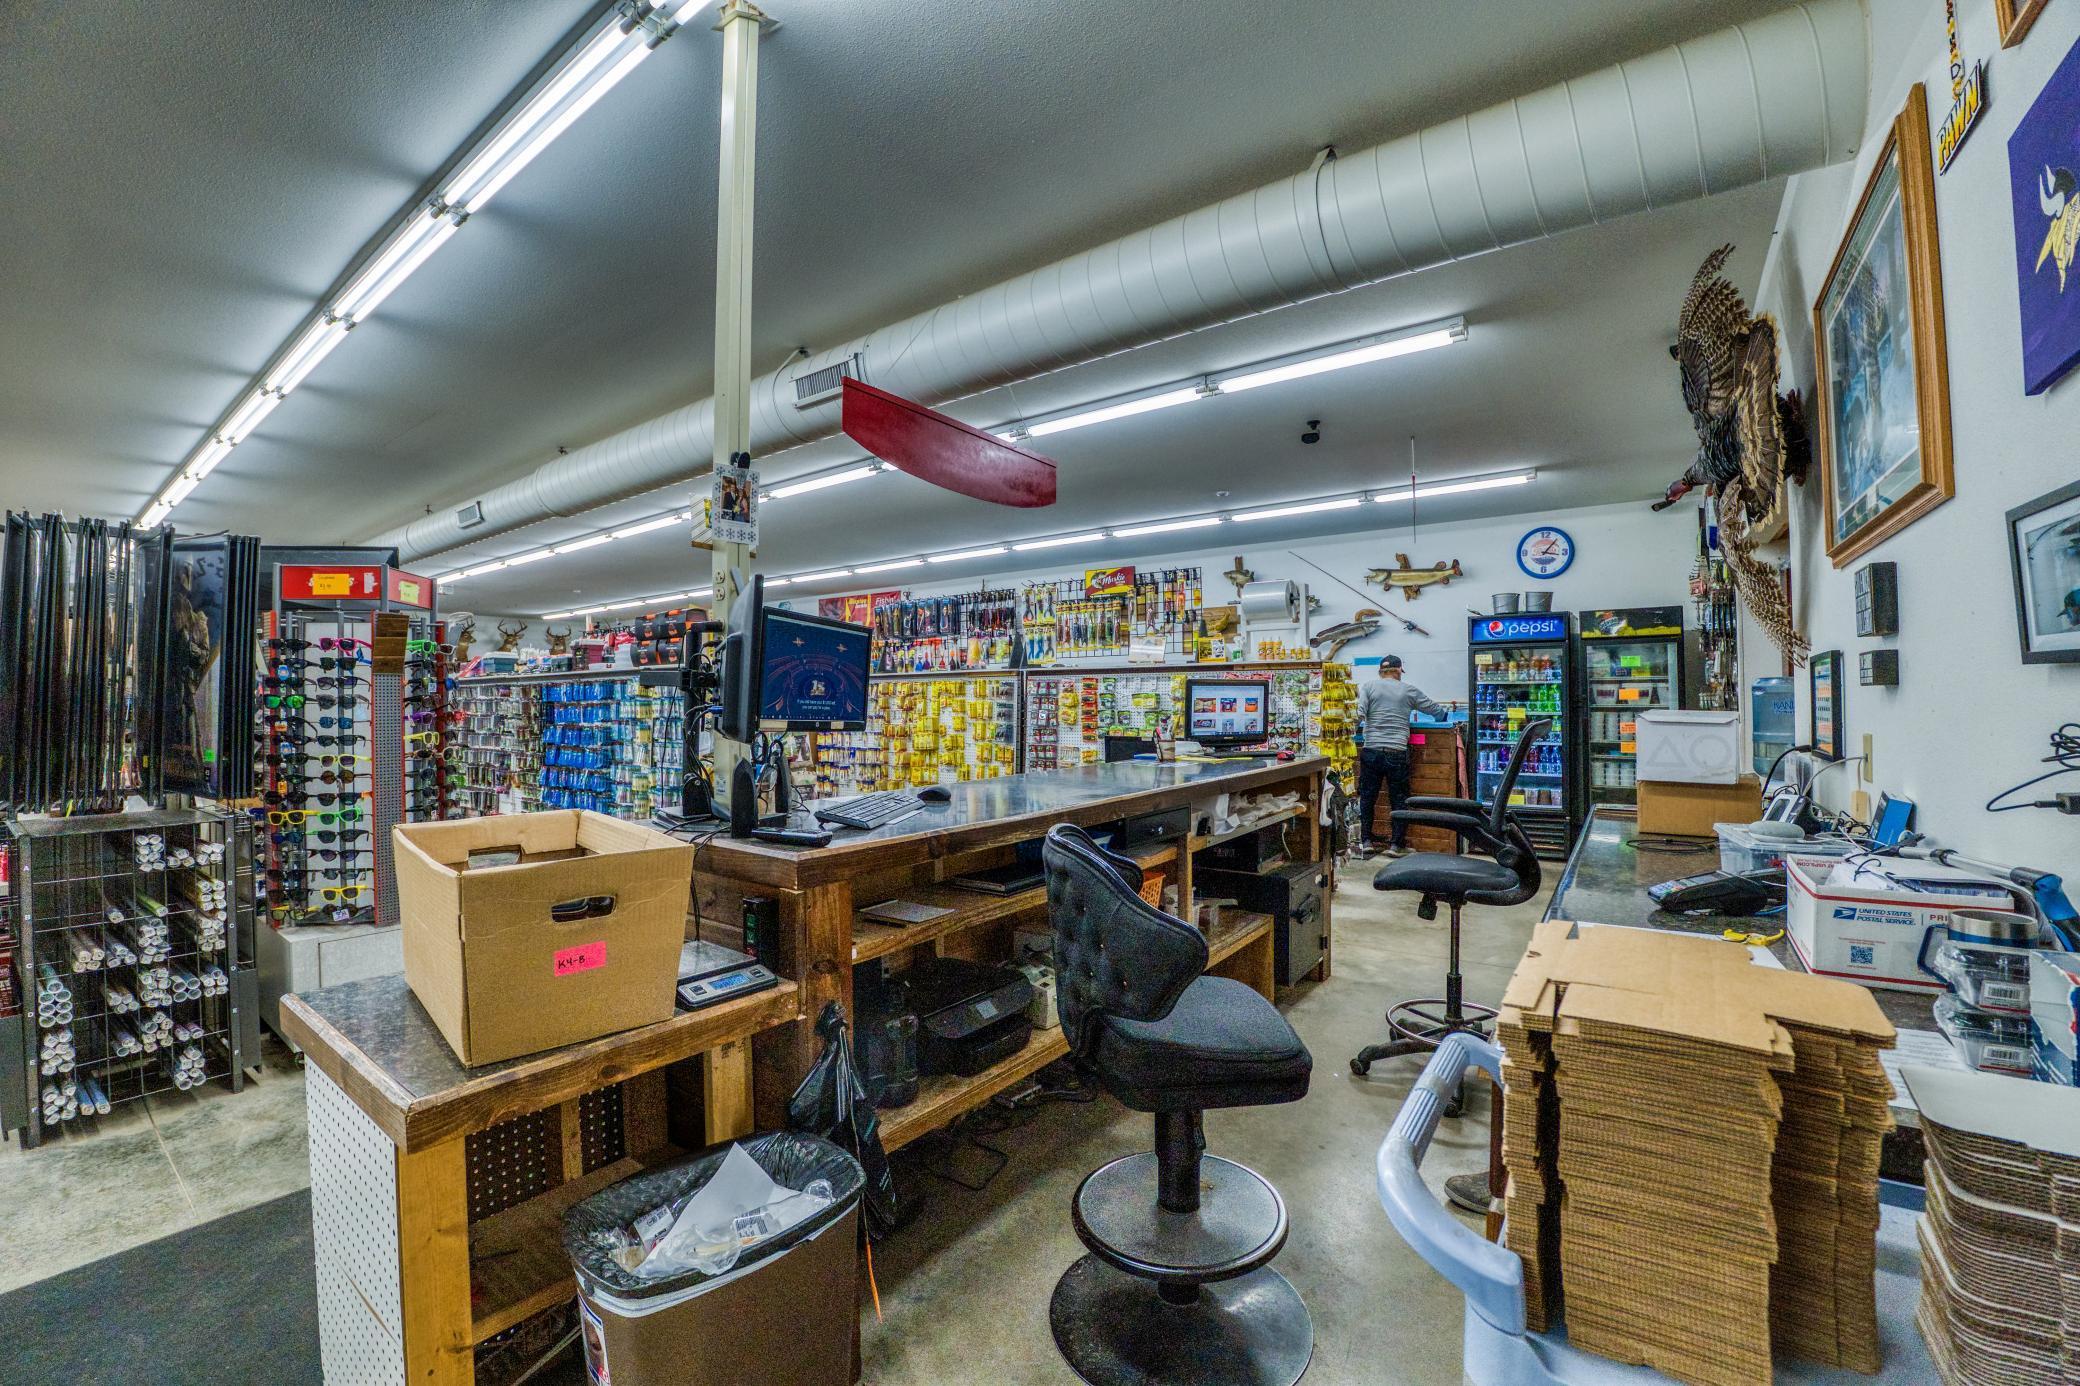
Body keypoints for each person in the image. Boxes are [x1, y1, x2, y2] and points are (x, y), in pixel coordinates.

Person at [1357, 655, 1447, 857]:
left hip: (1371, 751)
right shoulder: (1408, 690)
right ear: (1398, 670)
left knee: (1368, 798)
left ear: (1381, 672)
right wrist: (1442, 718)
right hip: (1396, 752)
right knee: (1399, 799)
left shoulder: (1368, 687)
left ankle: (1366, 841)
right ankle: (1396, 846)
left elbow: (1359, 713)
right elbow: (1436, 711)